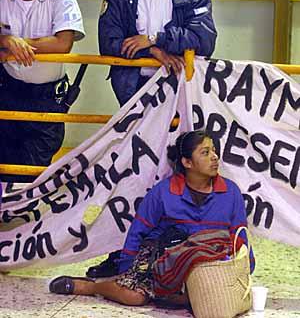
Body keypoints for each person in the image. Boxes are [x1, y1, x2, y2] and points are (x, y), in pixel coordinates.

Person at [91, 0, 218, 278]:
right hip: (135, 96)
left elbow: (205, 39)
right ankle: (125, 253)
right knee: (134, 175)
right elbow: (111, 41)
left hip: (178, 98)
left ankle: (175, 253)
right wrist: (159, 52)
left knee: (176, 171)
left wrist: (153, 39)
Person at [49, 129, 255, 309]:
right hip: (163, 260)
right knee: (134, 297)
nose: (215, 157)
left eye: (214, 151)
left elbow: (240, 237)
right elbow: (138, 231)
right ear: (187, 162)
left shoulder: (231, 192)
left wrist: (244, 268)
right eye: (205, 152)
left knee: (207, 299)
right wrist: (127, 272)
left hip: (208, 263)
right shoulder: (163, 192)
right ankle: (91, 286)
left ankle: (174, 297)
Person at [0, 0, 85, 183]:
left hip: (47, 95)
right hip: (8, 88)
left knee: (37, 159)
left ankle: (25, 211)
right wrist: (6, 39)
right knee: (5, 154)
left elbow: (63, 43)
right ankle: (7, 211)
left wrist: (18, 43)